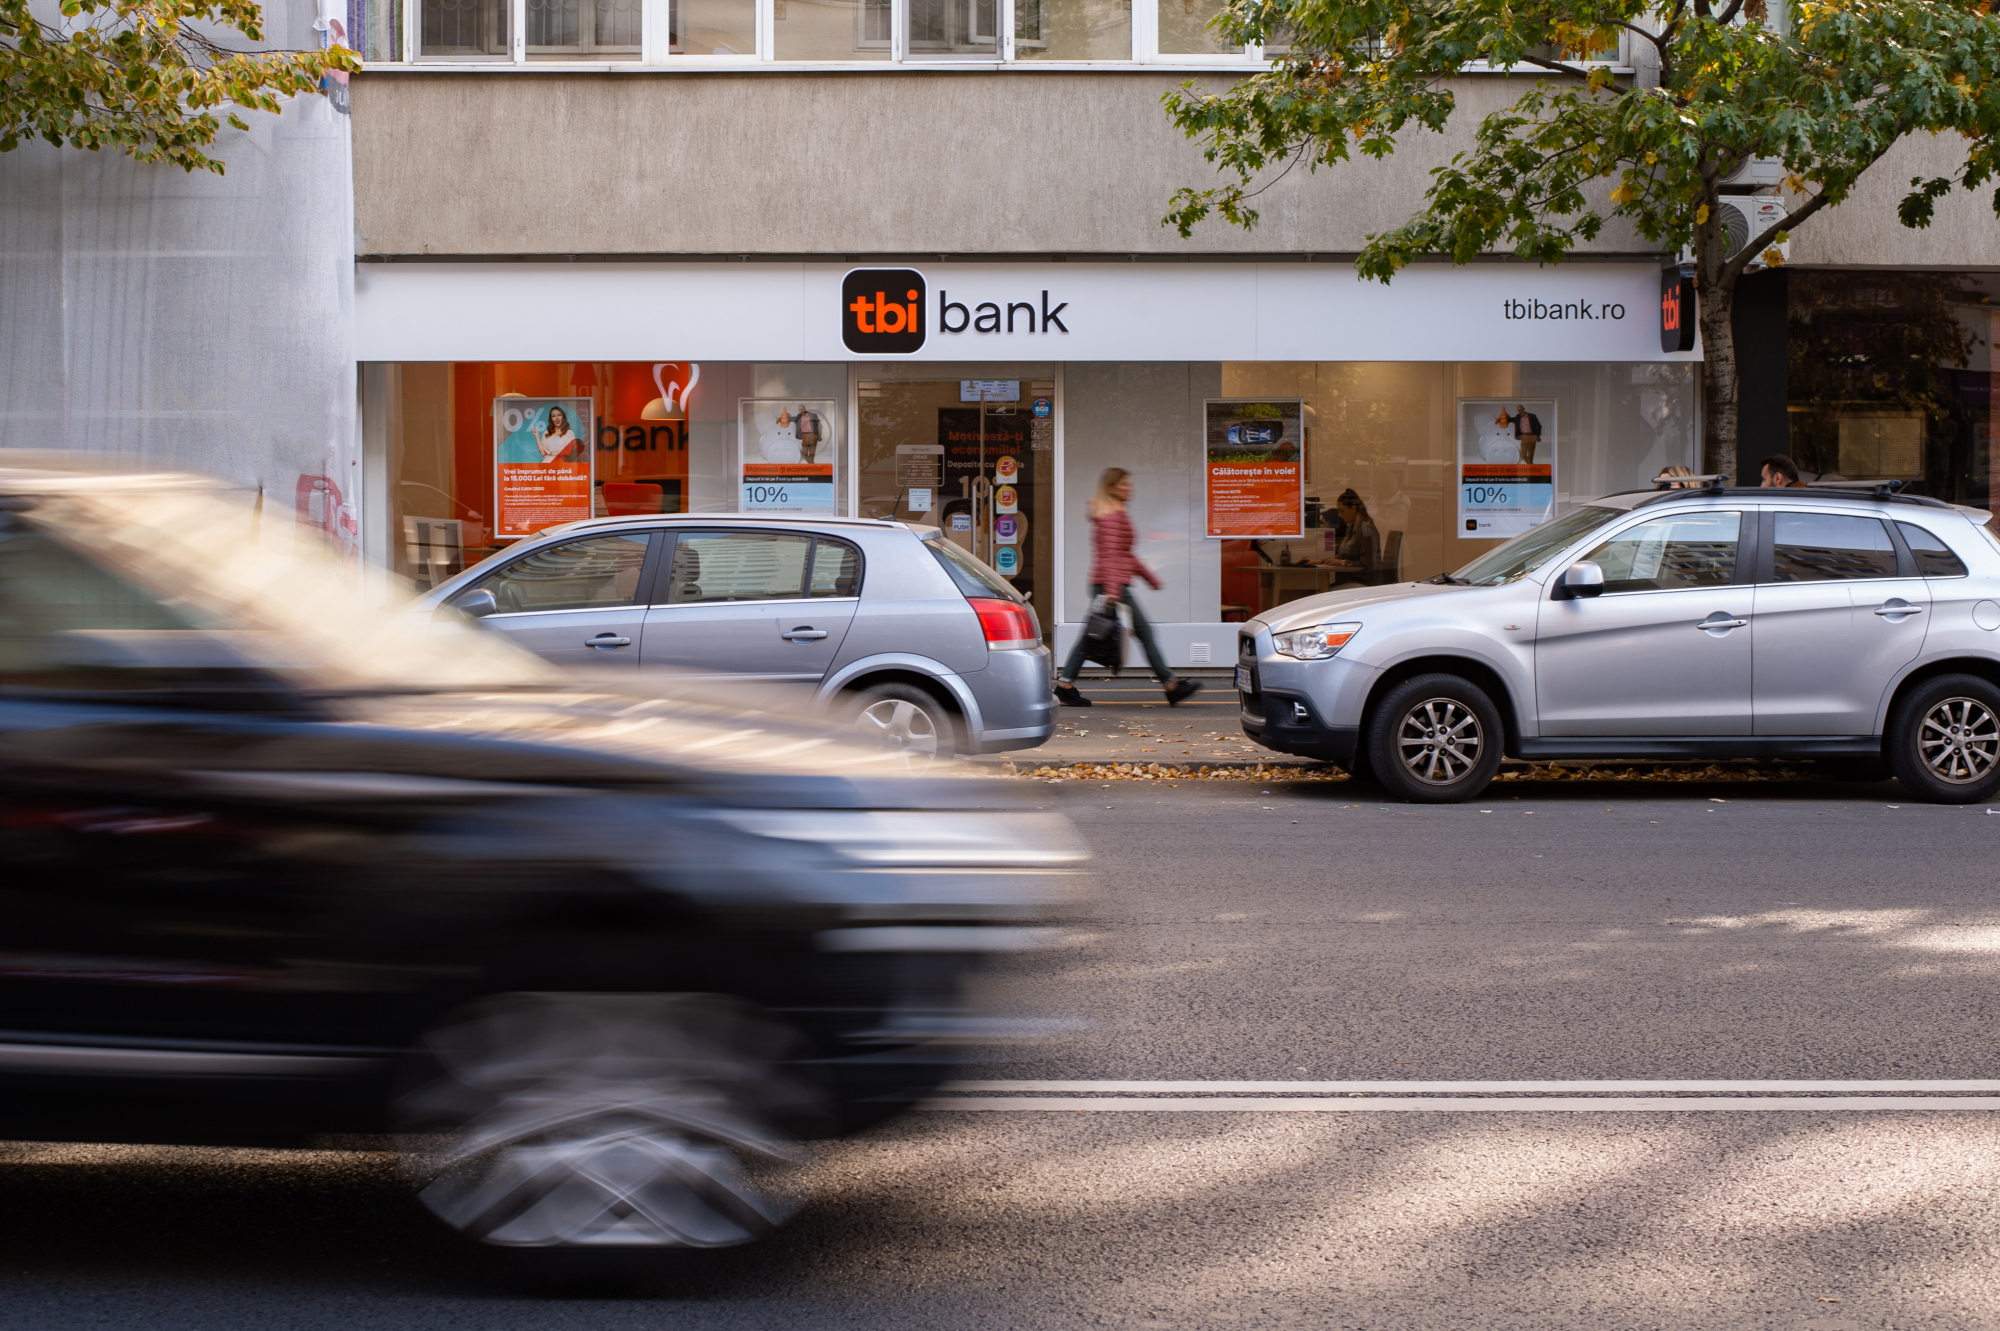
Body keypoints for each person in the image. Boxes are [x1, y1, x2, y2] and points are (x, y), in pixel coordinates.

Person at [1054, 468, 1201, 708]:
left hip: (1110, 583)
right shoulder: (1111, 516)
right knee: (1106, 635)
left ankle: (1065, 685)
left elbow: (1124, 554)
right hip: (1110, 585)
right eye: (1125, 484)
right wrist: (1112, 589)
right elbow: (1111, 556)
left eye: (1130, 484)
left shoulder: (1116, 512)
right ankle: (1171, 686)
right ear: (1112, 487)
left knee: (1097, 635)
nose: (1130, 488)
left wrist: (1149, 577)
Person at [1330, 489, 1380, 584]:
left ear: (1353, 509)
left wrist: (1342, 563)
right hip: (1349, 579)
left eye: (1342, 511)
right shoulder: (1351, 528)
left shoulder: (1366, 531)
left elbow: (1366, 566)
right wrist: (1318, 561)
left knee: (1321, 590)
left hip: (1360, 582)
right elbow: (1342, 556)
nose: (1339, 515)